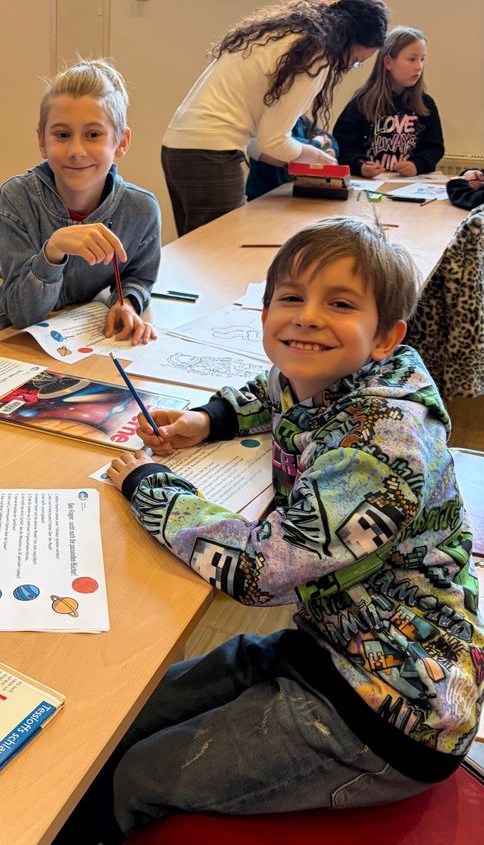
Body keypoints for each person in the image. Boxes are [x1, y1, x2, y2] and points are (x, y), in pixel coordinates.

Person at [57, 217, 484, 842]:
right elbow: (274, 386)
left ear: (386, 338)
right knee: (127, 712)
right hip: (330, 646)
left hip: (391, 718)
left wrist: (151, 488)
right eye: (291, 298)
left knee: (138, 774)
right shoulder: (331, 371)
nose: (306, 318)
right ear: (265, 314)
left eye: (339, 304)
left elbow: (260, 571)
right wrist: (211, 418)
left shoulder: (380, 447)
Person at [161, 0, 388, 235]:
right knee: (217, 249)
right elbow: (273, 141)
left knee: (196, 248)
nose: (346, 69)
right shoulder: (314, 53)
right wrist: (311, 155)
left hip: (177, 149)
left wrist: (294, 156)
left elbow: (256, 140)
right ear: (345, 38)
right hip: (209, 155)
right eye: (355, 61)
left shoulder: (283, 35)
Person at [0, 58, 160, 345]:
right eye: (62, 135)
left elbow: (138, 276)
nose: (76, 150)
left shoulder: (141, 210)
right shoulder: (18, 197)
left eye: (93, 135)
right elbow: (24, 314)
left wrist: (127, 302)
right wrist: (53, 250)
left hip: (74, 338)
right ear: (42, 141)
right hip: (6, 339)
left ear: (121, 142)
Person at [333, 26, 444, 177]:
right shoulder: (362, 103)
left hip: (411, 183)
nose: (419, 66)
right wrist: (361, 166)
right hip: (370, 183)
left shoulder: (425, 104)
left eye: (422, 59)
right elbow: (344, 144)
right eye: (412, 59)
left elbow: (434, 147)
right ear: (388, 62)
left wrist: (417, 165)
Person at [245, 115, 338, 200]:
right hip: (265, 195)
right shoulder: (270, 122)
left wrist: (331, 151)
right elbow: (285, 147)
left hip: (291, 192)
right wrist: (316, 143)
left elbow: (330, 139)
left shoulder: (301, 120)